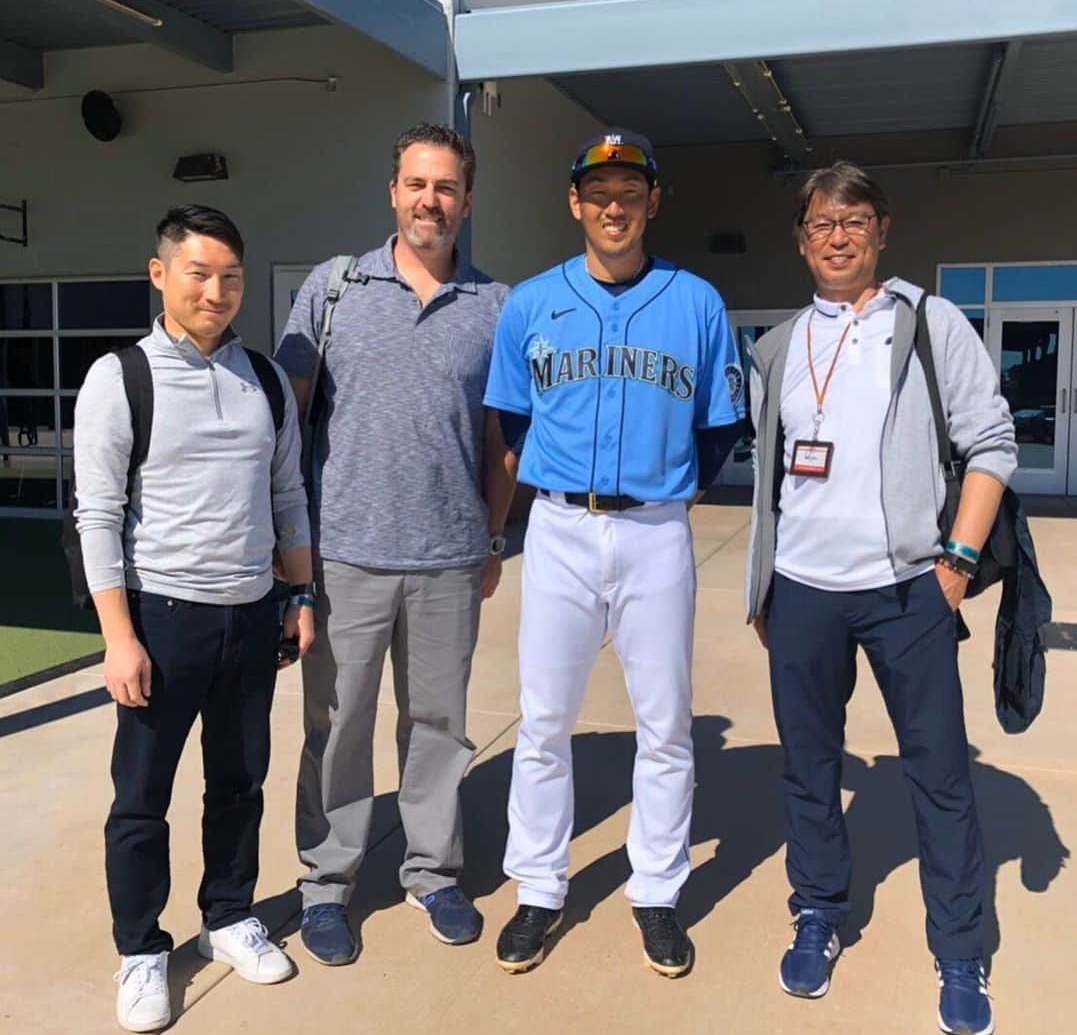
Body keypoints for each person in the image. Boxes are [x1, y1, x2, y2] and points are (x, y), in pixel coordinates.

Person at [744, 161, 1016, 1035]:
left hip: (907, 590)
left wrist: (958, 561)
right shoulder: (779, 346)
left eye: (854, 218)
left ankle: (961, 946)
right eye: (821, 220)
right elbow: (769, 477)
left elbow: (992, 440)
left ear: (882, 229)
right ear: (801, 237)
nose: (837, 234)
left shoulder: (929, 322)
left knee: (940, 774)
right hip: (803, 593)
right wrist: (763, 582)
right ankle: (818, 910)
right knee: (809, 770)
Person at [483, 129, 744, 977]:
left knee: (665, 721)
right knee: (544, 718)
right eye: (599, 189)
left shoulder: (696, 301)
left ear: (653, 201)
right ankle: (539, 886)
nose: (614, 203)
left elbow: (719, 430)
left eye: (630, 188)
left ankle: (658, 891)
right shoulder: (529, 301)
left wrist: (667, 491)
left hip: (655, 528)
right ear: (575, 202)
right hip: (559, 526)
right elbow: (513, 425)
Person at [74, 205, 315, 1033]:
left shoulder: (265, 379)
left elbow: (288, 497)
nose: (217, 291)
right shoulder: (121, 377)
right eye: (199, 273)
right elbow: (97, 515)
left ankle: (228, 916)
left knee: (239, 782)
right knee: (141, 798)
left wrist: (300, 595)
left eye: (231, 277)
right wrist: (118, 637)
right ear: (160, 274)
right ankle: (141, 950)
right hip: (161, 618)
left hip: (250, 616)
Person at [274, 123, 509, 964]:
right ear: (393, 191)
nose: (430, 201)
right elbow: (286, 419)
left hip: (449, 556)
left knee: (439, 726)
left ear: (467, 202)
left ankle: (433, 870)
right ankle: (327, 884)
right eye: (417, 184)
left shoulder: (495, 305)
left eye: (446, 188)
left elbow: (500, 441)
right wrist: (289, 550)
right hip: (346, 554)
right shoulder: (333, 289)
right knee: (337, 727)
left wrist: (490, 538)